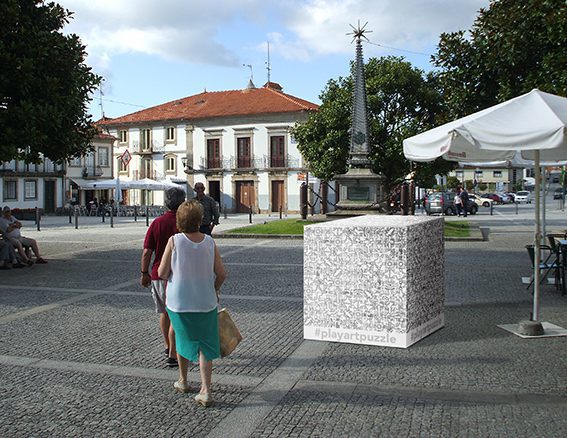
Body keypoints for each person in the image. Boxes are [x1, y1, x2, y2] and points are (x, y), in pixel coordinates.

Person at [158, 199, 227, 407]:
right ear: (200, 220)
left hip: (179, 301)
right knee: (206, 345)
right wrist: (213, 288)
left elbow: (162, 272)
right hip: (205, 300)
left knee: (182, 339)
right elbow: (222, 274)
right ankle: (206, 390)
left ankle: (183, 380)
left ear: (179, 221)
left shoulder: (174, 241)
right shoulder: (209, 242)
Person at [141, 187, 186, 367]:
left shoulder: (157, 223)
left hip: (159, 274)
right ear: (182, 202)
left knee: (164, 313)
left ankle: (169, 347)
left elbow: (147, 252)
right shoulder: (184, 223)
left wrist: (144, 273)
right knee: (178, 314)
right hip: (180, 274)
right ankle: (176, 351)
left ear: (165, 202)